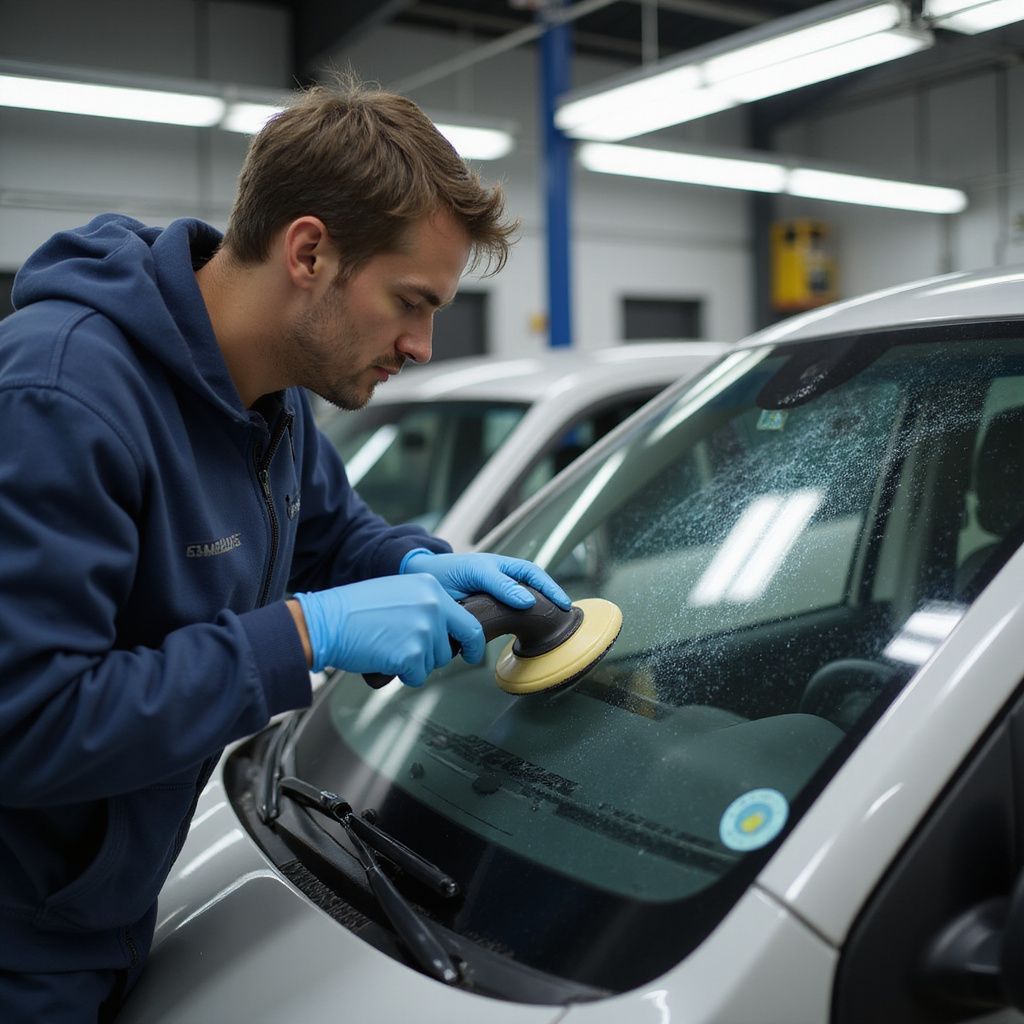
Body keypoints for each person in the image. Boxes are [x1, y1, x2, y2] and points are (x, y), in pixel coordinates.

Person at [0, 77, 570, 1022]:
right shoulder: (62, 400)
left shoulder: (272, 392)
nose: (423, 345)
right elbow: (26, 719)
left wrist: (415, 565)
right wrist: (303, 635)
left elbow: (329, 537)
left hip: (105, 905)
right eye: (410, 302)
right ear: (309, 251)